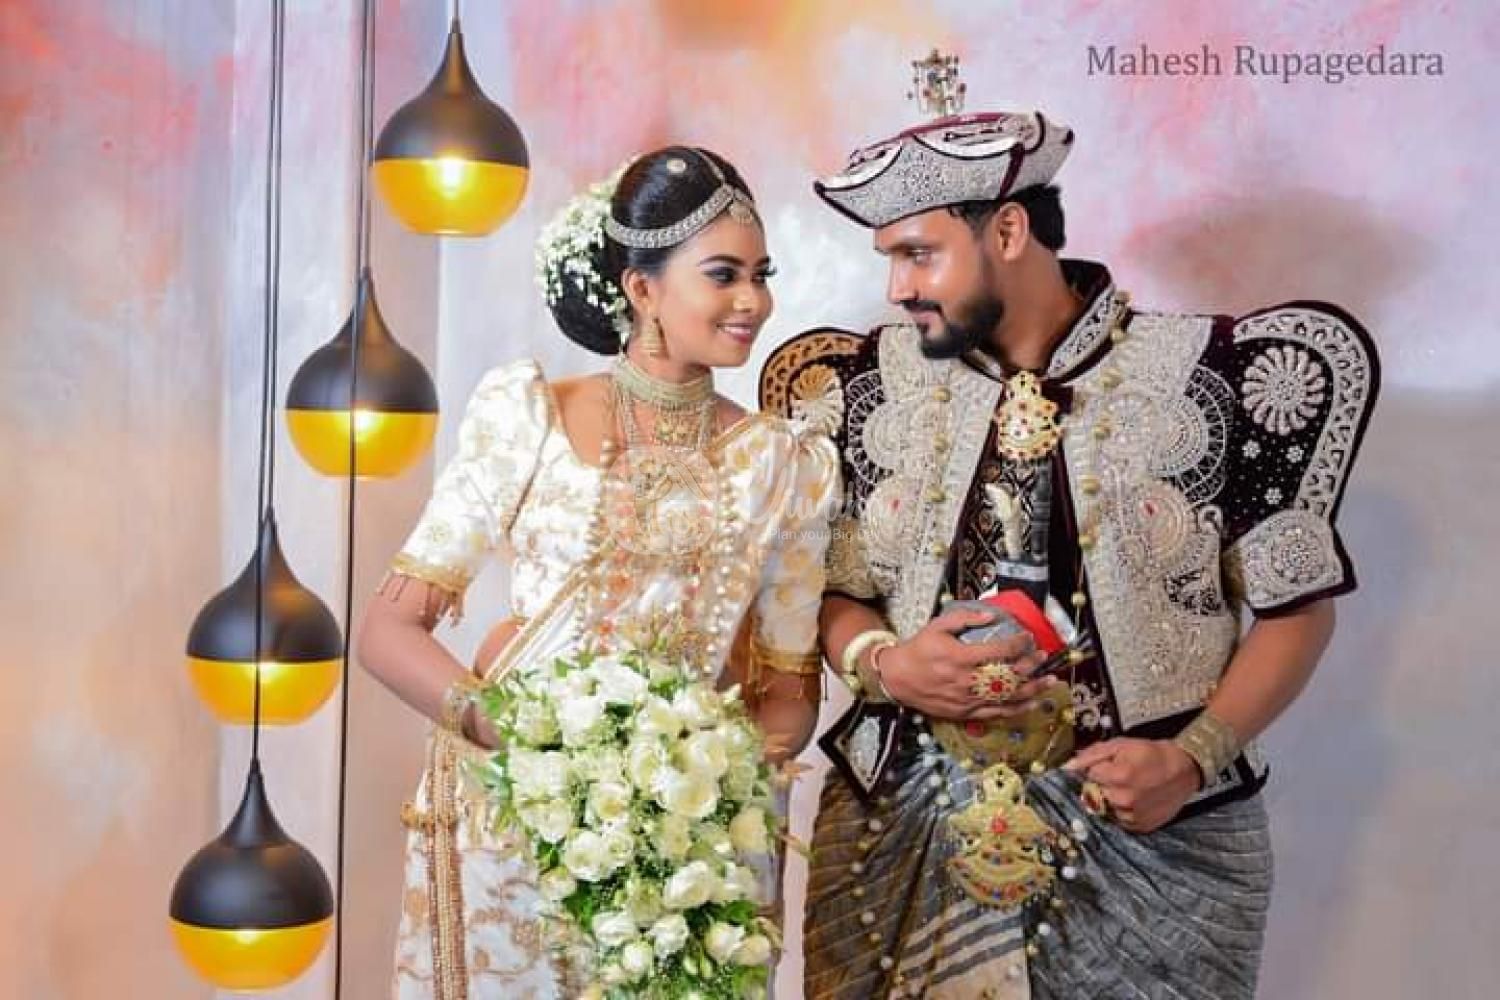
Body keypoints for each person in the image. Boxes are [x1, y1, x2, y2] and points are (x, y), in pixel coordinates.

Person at [761, 57, 1379, 999]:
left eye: (918, 254)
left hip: (1156, 835)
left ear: (1008, 231)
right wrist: (883, 663)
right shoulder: (862, 388)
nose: (896, 288)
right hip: (904, 821)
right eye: (890, 258)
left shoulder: (1212, 375)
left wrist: (1192, 757)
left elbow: (1298, 613)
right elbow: (832, 592)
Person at [359, 146, 840, 999]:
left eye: (761, 276)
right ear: (641, 288)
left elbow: (789, 691)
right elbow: (388, 632)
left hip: (689, 856)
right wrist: (524, 742)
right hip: (519, 827)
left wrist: (702, 789)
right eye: (724, 275)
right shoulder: (531, 418)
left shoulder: (783, 462)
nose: (753, 301)